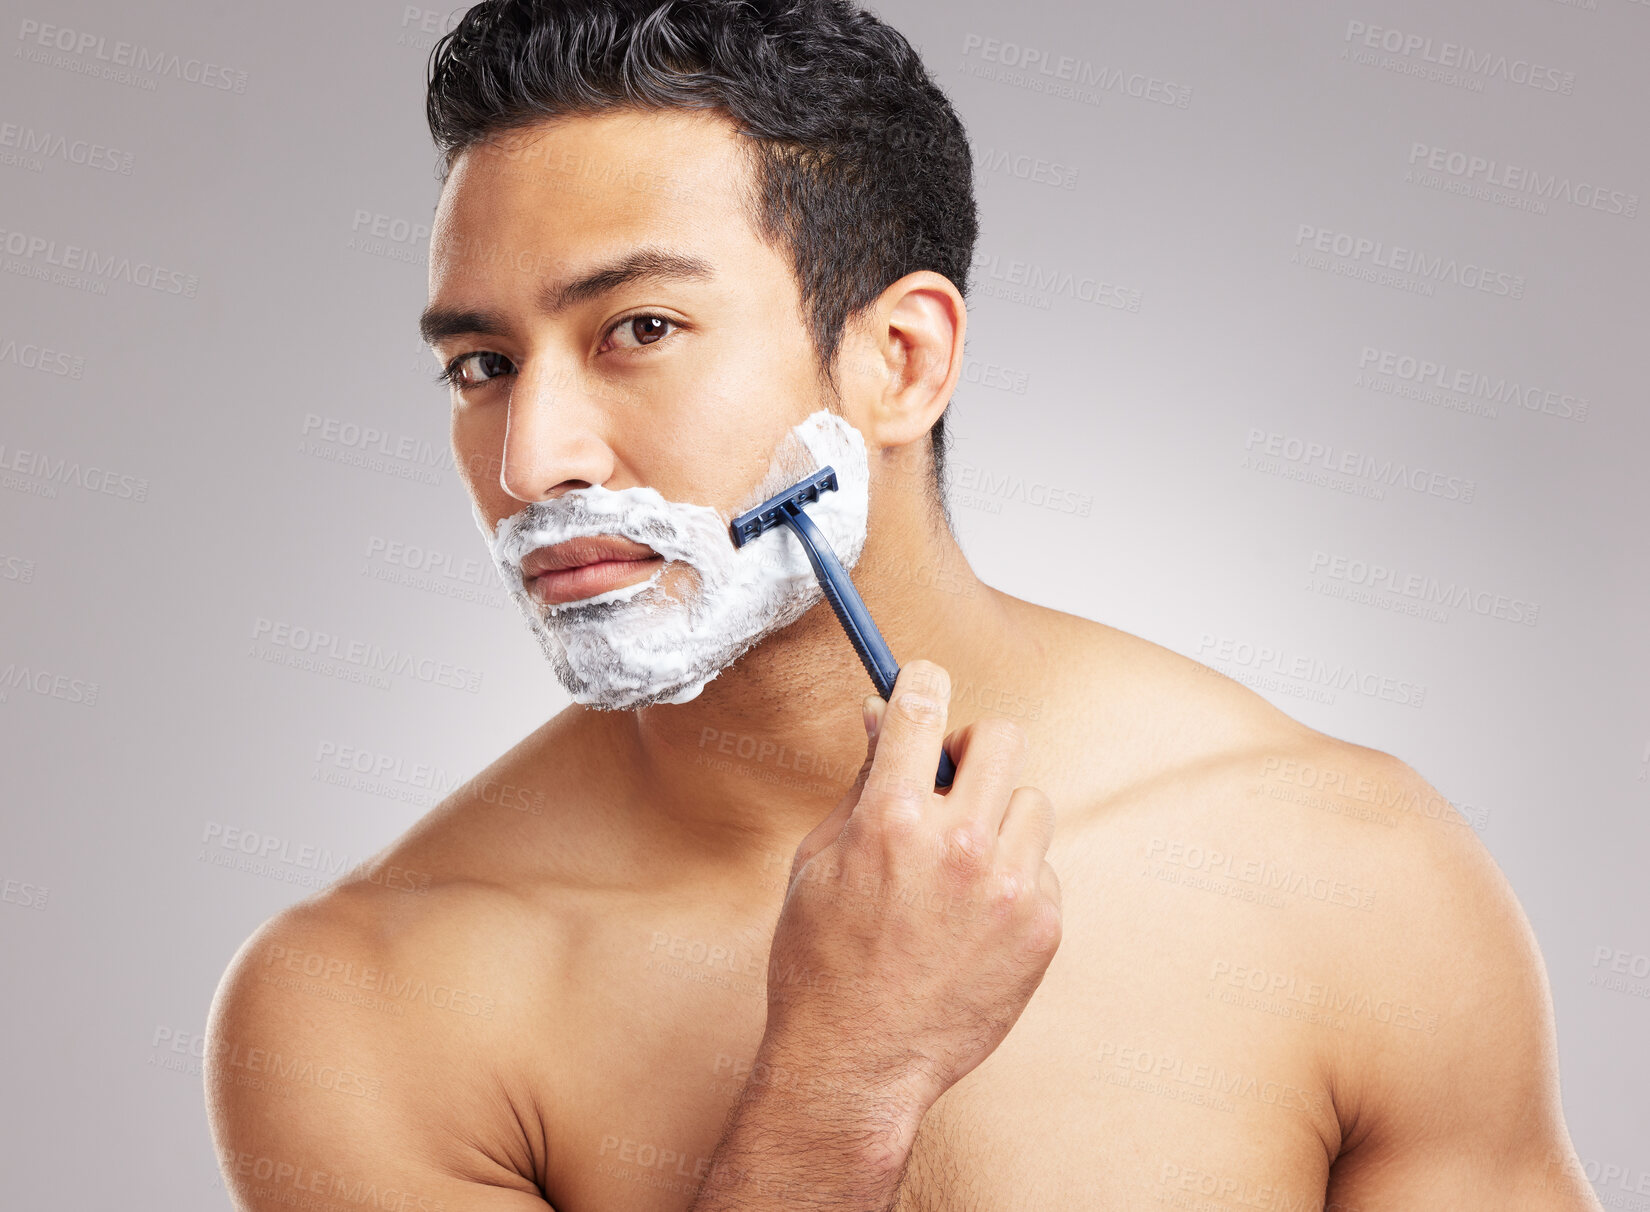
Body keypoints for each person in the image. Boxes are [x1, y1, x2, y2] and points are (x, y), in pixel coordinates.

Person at [205, 2, 1601, 1208]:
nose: (532, 460)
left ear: (898, 361)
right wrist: (843, 1075)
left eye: (637, 331)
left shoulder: (1345, 867)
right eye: (482, 365)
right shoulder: (368, 1001)